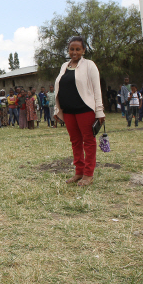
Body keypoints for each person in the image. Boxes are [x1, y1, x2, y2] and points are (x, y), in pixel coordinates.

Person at [53, 36, 105, 187]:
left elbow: (96, 89)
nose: (74, 52)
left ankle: (88, 174)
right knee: (75, 142)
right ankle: (79, 172)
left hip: (85, 110)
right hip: (68, 111)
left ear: (83, 50)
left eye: (78, 49)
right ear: (68, 50)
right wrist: (57, 109)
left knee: (88, 142)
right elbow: (59, 88)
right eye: (71, 49)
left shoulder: (89, 65)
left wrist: (99, 111)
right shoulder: (64, 66)